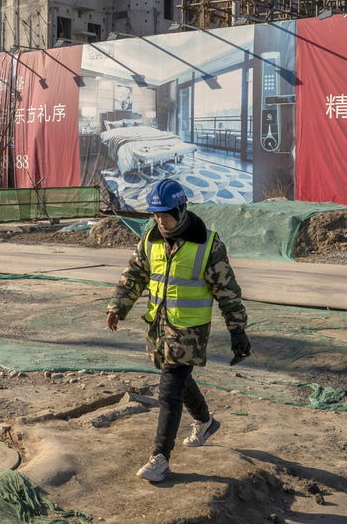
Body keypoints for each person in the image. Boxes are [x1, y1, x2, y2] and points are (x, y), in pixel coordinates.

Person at [105, 178, 251, 483]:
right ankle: (205, 421)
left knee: (169, 389)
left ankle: (160, 457)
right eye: (155, 216)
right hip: (158, 328)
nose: (160, 221)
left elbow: (227, 291)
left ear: (182, 210)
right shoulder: (150, 239)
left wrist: (238, 331)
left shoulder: (208, 245)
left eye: (165, 215)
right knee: (179, 380)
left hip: (189, 332)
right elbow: (135, 274)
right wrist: (118, 306)